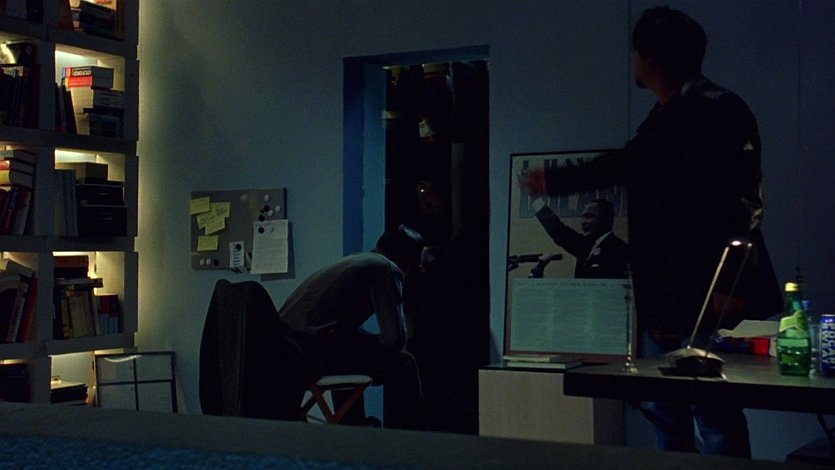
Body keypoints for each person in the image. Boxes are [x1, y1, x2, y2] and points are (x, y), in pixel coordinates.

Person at [519, 6, 782, 457]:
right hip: (671, 291)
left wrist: (730, 281)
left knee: (708, 414)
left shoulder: (711, 110)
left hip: (700, 291)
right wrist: (556, 181)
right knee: (672, 411)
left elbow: (743, 205)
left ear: (651, 57)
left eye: (635, 53)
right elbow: (628, 164)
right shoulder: (674, 114)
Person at [278, 224, 426, 430]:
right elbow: (394, 340)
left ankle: (352, 425)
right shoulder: (387, 269)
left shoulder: (358, 261)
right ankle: (410, 435)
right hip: (312, 352)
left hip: (286, 352)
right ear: (411, 261)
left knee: (351, 349)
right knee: (404, 362)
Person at [532, 198, 628, 278]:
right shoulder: (586, 245)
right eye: (583, 217)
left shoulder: (620, 249)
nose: (583, 222)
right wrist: (535, 200)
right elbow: (558, 230)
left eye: (589, 216)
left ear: (605, 219)